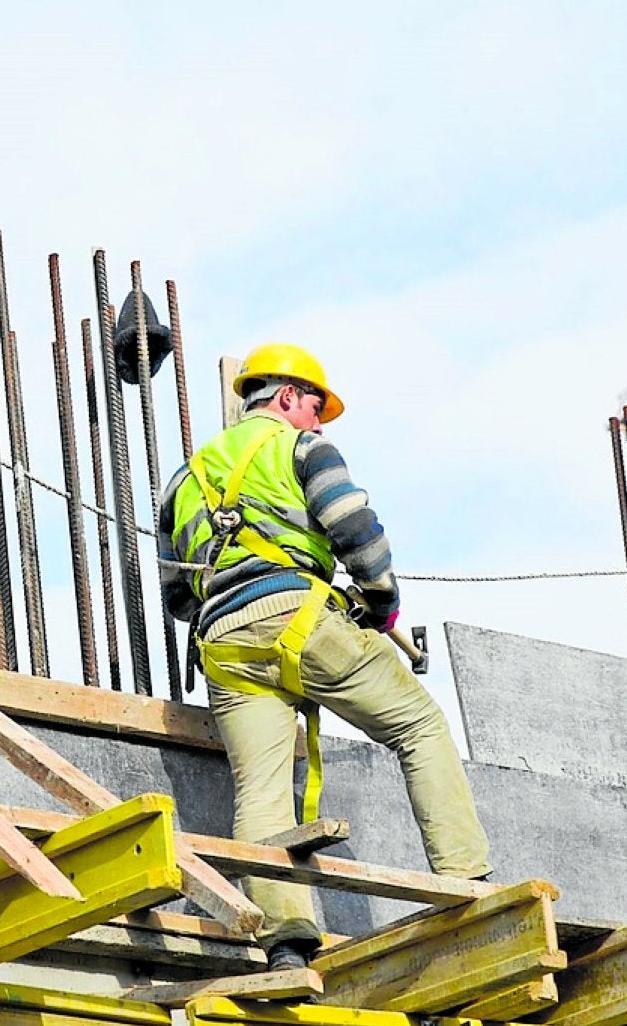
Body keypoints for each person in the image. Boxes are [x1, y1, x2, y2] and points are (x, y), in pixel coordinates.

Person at [157, 344, 491, 970]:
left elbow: (177, 592)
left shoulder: (183, 481)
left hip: (224, 645)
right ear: (285, 397)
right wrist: (381, 604)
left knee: (261, 791)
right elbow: (356, 530)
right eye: (315, 406)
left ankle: (285, 942)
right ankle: (468, 881)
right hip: (302, 620)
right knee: (419, 726)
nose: (319, 421)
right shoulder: (302, 449)